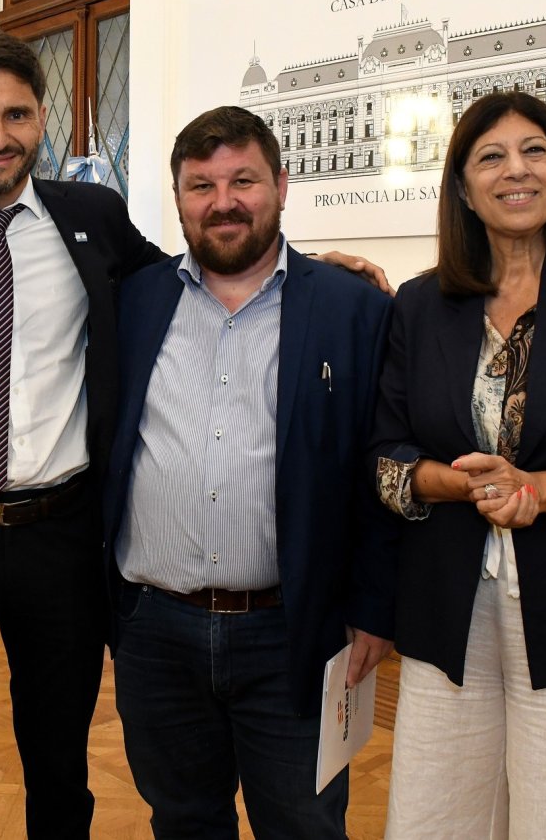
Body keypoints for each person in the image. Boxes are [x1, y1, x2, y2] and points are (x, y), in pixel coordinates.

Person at [0, 29, 392, 838]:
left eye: (16, 113)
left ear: (42, 120)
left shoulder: (90, 217)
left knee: (61, 765)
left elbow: (197, 271)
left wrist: (315, 274)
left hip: (61, 539)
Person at [102, 105, 398, 839]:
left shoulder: (351, 309)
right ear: (177, 201)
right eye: (201, 185)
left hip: (294, 632)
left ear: (282, 185)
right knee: (182, 820)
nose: (223, 201)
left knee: (304, 825)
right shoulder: (132, 302)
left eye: (244, 180)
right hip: (154, 631)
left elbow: (381, 468)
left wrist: (374, 607)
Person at [370, 91, 546, 839]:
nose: (514, 170)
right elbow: (385, 456)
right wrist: (456, 483)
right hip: (444, 607)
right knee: (436, 815)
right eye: (490, 156)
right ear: (463, 186)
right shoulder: (422, 305)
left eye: (534, 150)